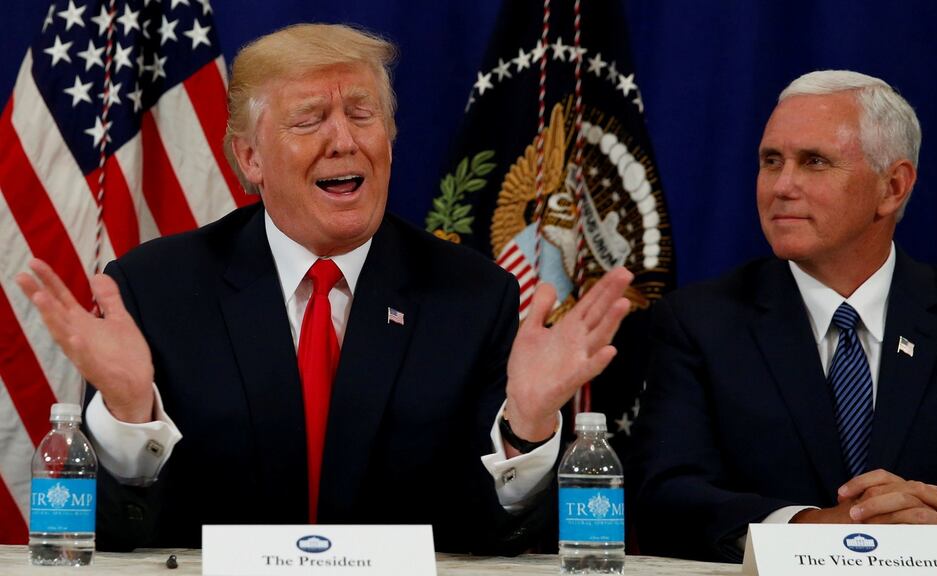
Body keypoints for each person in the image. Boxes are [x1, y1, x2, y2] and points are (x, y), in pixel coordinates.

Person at [16, 23, 633, 553]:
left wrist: (526, 427)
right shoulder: (157, 290)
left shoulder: (471, 297)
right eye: (310, 120)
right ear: (250, 159)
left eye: (363, 115)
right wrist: (128, 417)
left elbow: (492, 539)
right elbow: (110, 537)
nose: (345, 140)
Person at [632, 70, 937, 568]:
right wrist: (814, 528)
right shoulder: (699, 323)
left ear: (894, 186)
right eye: (770, 161)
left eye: (814, 162)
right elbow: (665, 497)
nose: (781, 185)